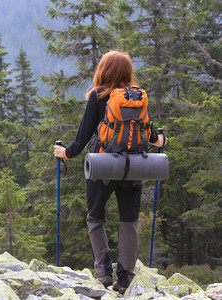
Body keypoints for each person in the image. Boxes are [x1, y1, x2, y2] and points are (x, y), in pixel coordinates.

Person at [53, 50, 166, 294]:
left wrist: (65, 153)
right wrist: (161, 140)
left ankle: (103, 273)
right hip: (134, 165)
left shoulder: (97, 96)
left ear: (103, 70)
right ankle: (124, 279)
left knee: (96, 218)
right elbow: (153, 136)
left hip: (102, 164)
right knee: (129, 222)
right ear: (128, 72)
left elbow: (82, 137)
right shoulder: (137, 97)